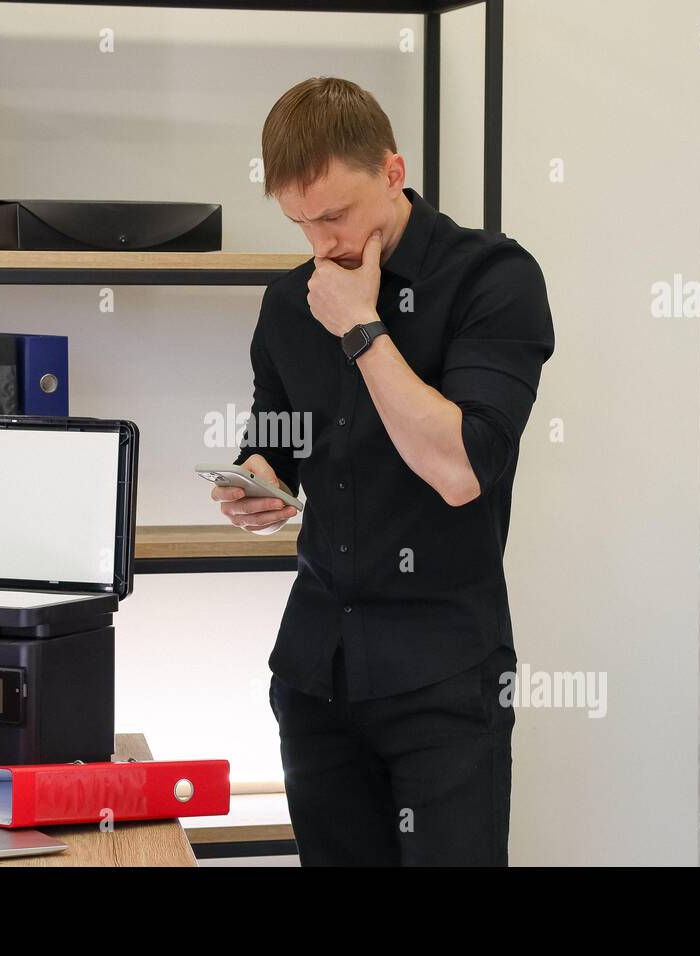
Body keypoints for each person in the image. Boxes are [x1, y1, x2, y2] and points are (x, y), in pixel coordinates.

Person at [211, 77, 555, 866]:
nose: (321, 243)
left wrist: (364, 329)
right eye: (300, 221)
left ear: (393, 172)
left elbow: (461, 466)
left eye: (335, 214)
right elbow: (280, 438)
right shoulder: (291, 301)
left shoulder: (493, 280)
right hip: (315, 671)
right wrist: (256, 478)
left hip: (443, 677)